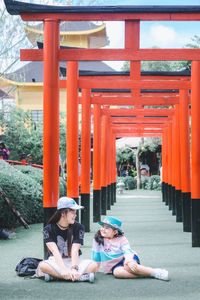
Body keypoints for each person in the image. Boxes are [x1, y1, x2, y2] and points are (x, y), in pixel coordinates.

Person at [36, 196, 98, 282]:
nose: (75, 215)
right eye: (72, 212)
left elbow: (75, 250)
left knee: (94, 265)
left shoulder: (79, 227)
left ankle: (57, 276)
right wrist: (63, 269)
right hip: (57, 261)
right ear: (63, 213)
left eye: (75, 212)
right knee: (43, 265)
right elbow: (54, 251)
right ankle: (79, 277)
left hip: (75, 261)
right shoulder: (48, 229)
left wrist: (74, 268)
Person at [92, 216, 169, 281]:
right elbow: (96, 255)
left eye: (107, 228)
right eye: (102, 226)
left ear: (115, 232)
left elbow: (127, 251)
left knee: (128, 267)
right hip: (114, 265)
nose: (103, 229)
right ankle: (146, 274)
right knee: (117, 273)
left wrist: (129, 261)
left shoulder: (122, 239)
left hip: (127, 258)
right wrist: (95, 267)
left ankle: (155, 272)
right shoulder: (97, 239)